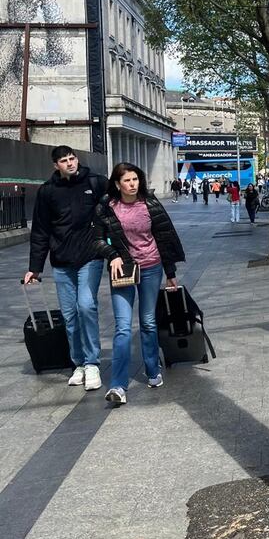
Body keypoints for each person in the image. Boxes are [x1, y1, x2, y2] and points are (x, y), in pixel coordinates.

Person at [94, 162, 185, 407]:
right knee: (123, 327)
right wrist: (112, 255)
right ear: (117, 184)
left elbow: (164, 238)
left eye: (135, 179)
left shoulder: (150, 203)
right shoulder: (106, 207)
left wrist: (170, 272)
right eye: (127, 180)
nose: (132, 184)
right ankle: (118, 385)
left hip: (151, 266)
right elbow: (97, 240)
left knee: (148, 322)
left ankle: (153, 369)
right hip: (122, 269)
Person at [23, 146, 108, 390]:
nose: (70, 163)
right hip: (61, 261)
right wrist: (35, 267)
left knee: (86, 306)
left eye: (72, 158)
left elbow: (113, 214)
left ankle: (92, 363)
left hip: (90, 256)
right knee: (69, 315)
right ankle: (78, 363)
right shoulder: (48, 191)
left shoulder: (96, 182)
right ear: (56, 165)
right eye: (64, 160)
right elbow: (41, 231)